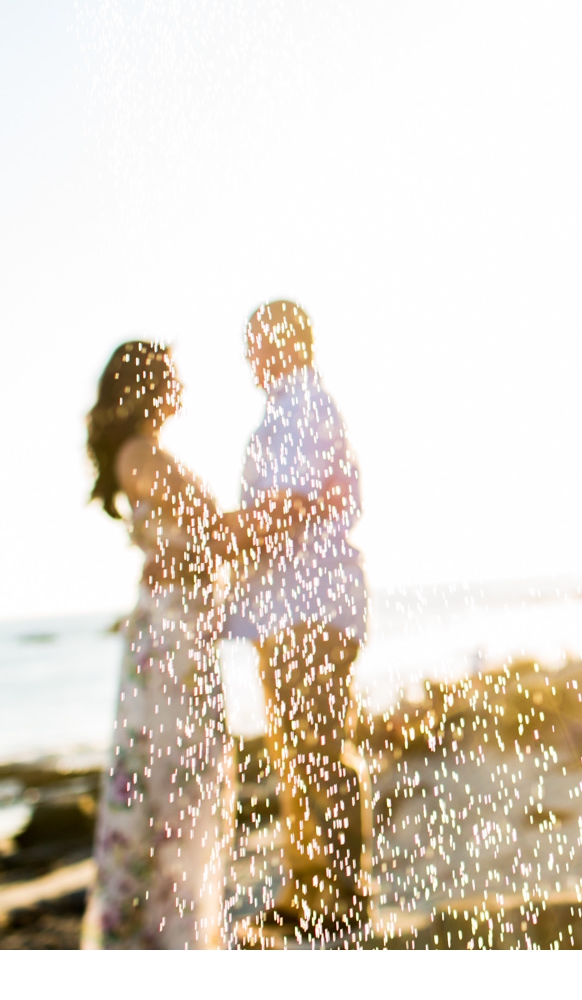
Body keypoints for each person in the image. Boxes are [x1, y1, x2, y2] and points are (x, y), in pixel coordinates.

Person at [81, 341, 299, 949]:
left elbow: (201, 540)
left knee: (175, 785)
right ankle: (173, 941)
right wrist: (284, 513)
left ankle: (175, 935)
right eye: (172, 376)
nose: (181, 386)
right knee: (181, 786)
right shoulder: (144, 454)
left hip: (175, 639)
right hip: (173, 644)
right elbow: (214, 536)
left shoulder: (140, 453)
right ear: (150, 385)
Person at [229, 300, 370, 941]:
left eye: (258, 342)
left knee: (315, 749)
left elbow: (287, 507)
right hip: (293, 609)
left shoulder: (302, 406)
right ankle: (306, 884)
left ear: (289, 343)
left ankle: (340, 893)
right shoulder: (290, 407)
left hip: (311, 608)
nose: (251, 356)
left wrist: (217, 539)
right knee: (296, 749)